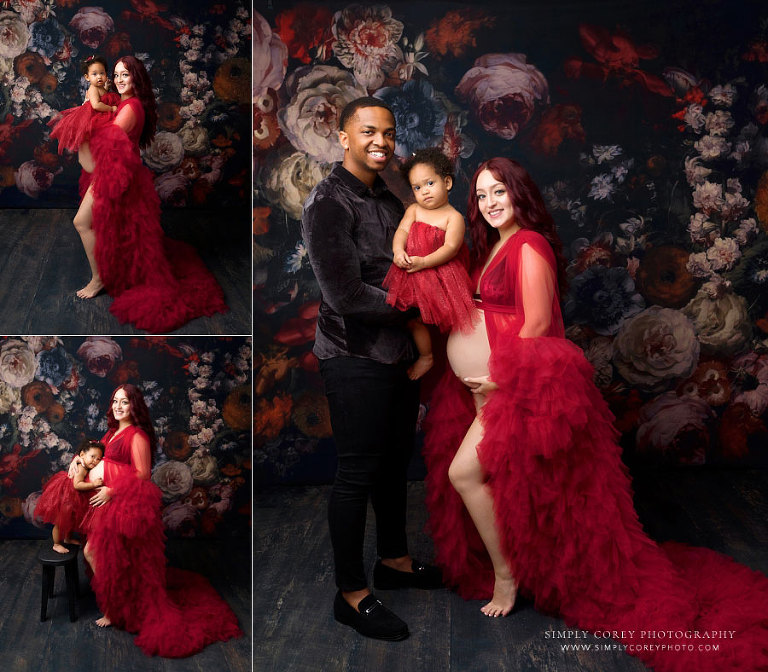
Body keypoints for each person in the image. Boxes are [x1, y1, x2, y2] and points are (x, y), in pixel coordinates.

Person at [422, 157, 768, 671]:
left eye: (500, 192)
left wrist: (499, 379)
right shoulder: (493, 245)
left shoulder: (529, 243)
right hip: (485, 385)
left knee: (464, 472)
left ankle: (507, 576)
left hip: (515, 384)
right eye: (482, 195)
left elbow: (538, 322)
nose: (491, 203)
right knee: (509, 482)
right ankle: (523, 566)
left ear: (520, 194)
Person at [301, 96, 442, 642]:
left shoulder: (390, 193)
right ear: (343, 137)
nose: (381, 141)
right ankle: (352, 593)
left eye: (387, 131)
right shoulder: (328, 203)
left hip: (399, 353)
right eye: (368, 132)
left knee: (393, 465)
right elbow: (346, 294)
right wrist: (422, 305)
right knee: (357, 472)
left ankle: (395, 562)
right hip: (353, 353)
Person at [73, 384, 241, 655]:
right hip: (105, 502)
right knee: (103, 554)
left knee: (98, 552)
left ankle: (116, 608)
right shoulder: (111, 432)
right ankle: (116, 604)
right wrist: (76, 462)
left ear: (134, 406)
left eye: (124, 402)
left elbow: (142, 474)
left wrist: (111, 490)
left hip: (121, 501)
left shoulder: (136, 435)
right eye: (115, 401)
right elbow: (95, 458)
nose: (118, 406)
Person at [64, 55, 228, 331]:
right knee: (111, 226)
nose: (117, 80)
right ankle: (108, 272)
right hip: (114, 170)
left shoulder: (131, 107)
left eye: (124, 74)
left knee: (82, 222)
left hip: (115, 173)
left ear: (136, 77)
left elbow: (106, 143)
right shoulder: (123, 103)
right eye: (115, 75)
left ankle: (99, 278)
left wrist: (87, 119)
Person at [382, 147, 476, 380]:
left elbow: (450, 248)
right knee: (412, 320)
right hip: (413, 274)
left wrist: (424, 261)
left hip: (441, 275)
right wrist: (397, 250)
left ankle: (460, 361)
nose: (424, 192)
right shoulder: (414, 210)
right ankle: (426, 356)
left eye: (430, 183)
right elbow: (402, 231)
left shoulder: (453, 217)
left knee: (454, 326)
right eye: (417, 187)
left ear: (447, 182)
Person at [35, 438, 104, 553]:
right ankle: (56, 544)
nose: (95, 461)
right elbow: (77, 485)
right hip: (66, 496)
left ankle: (68, 538)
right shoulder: (81, 467)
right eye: (92, 456)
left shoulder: (85, 465)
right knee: (61, 521)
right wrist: (93, 484)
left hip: (72, 497)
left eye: (98, 459)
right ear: (82, 454)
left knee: (71, 519)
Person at [48, 55, 119, 161]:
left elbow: (103, 96)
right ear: (87, 77)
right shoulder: (92, 89)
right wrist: (111, 109)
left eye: (102, 73)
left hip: (100, 113)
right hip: (93, 116)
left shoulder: (99, 87)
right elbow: (96, 105)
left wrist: (106, 88)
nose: (99, 77)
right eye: (94, 74)